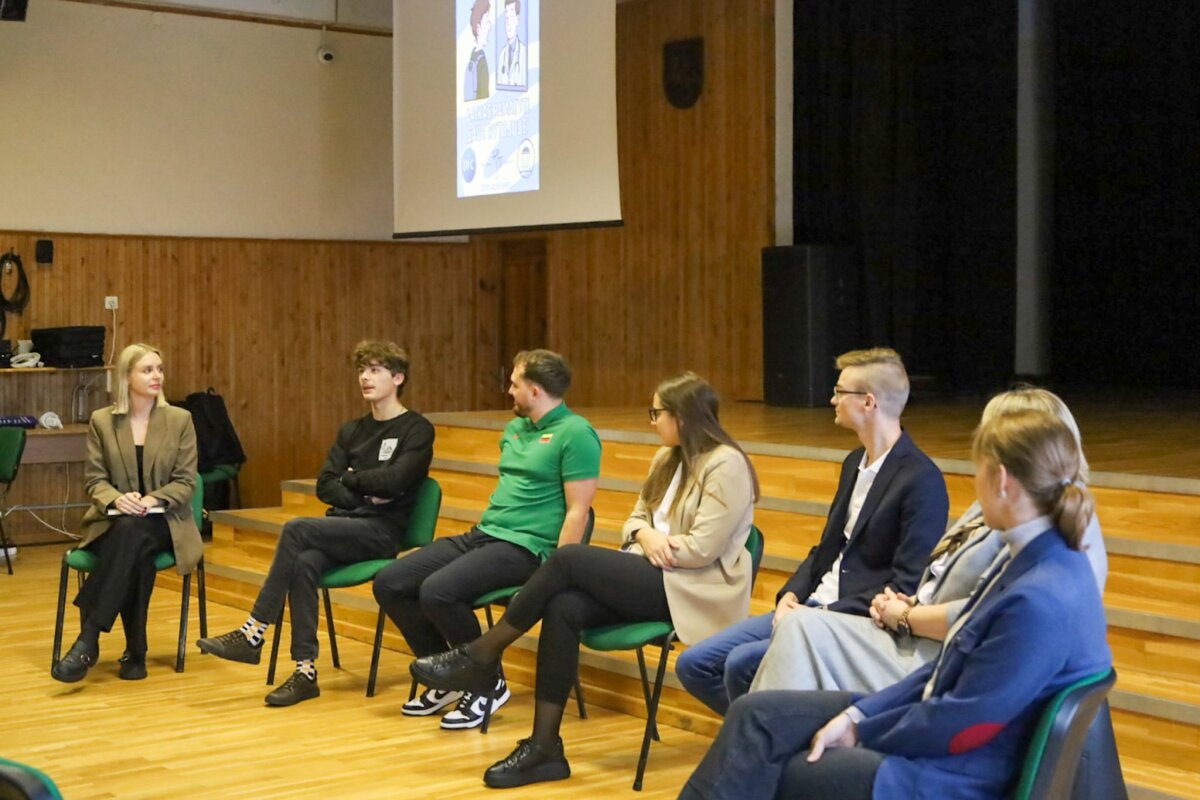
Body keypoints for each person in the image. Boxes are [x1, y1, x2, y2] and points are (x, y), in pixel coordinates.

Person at [679, 407, 1113, 800]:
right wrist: (858, 714)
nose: (974, 483)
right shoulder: (1036, 561)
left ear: (1002, 480)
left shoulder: (1039, 599)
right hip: (942, 738)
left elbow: (963, 725)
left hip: (948, 775)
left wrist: (862, 731)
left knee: (785, 765)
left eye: (977, 470)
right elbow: (945, 671)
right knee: (755, 715)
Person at [410, 373, 759, 788]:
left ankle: (482, 654)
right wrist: (645, 536)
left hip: (692, 589)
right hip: (653, 572)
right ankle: (544, 748)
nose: (651, 422)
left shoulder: (726, 464)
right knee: (564, 607)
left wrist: (649, 541)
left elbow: (702, 548)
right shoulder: (666, 458)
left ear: (682, 416)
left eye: (656, 413)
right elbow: (634, 520)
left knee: (569, 559)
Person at [751, 385, 1109, 695]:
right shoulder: (1000, 507)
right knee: (779, 648)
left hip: (934, 656)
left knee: (796, 634)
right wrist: (910, 601)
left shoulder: (1038, 529)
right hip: (913, 634)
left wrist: (906, 615)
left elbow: (985, 616)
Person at [676, 347, 949, 715]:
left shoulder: (922, 480)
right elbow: (827, 549)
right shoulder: (853, 462)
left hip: (852, 619)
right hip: (811, 606)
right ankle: (776, 732)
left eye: (840, 391)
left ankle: (771, 735)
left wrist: (821, 614)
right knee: (695, 664)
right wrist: (791, 594)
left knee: (742, 664)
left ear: (868, 402)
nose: (832, 400)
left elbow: (905, 583)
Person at [197, 341, 434, 706]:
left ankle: (254, 631)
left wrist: (352, 478)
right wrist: (364, 492)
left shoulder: (416, 429)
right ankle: (305, 671)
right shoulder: (352, 430)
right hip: (346, 524)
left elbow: (396, 481)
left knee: (296, 529)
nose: (365, 378)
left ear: (398, 378)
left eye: (375, 370)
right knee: (304, 562)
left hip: (382, 532)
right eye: (362, 370)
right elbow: (325, 484)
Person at [372, 349, 599, 730]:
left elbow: (579, 510)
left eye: (515, 384)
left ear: (536, 390)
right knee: (390, 582)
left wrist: (559, 571)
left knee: (438, 591)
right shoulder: (515, 428)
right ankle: (450, 677)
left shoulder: (576, 434)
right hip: (485, 533)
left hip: (527, 546)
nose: (509, 390)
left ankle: (487, 683)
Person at [51, 343, 203, 683]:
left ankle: (88, 640)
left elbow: (185, 483)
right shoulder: (103, 421)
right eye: (147, 370)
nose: (157, 376)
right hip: (114, 521)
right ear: (126, 377)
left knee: (132, 534)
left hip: (166, 522)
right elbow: (95, 480)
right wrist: (118, 500)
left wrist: (151, 501)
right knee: (133, 543)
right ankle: (136, 651)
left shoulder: (180, 420)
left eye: (159, 369)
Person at [464, 0, 492, 102]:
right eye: (487, 22)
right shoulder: (481, 61)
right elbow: (484, 98)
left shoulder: (473, 56)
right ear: (478, 28)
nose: (490, 26)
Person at [496, 0, 527, 88]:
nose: (508, 23)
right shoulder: (502, 55)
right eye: (506, 18)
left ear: (517, 20)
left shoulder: (524, 54)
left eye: (511, 17)